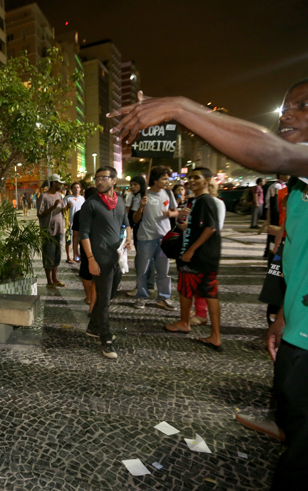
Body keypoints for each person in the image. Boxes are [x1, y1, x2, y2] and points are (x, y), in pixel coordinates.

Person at [109, 83, 308, 491]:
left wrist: (181, 108)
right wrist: (284, 317)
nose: (287, 115)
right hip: (296, 334)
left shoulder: (285, 171)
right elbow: (298, 264)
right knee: (294, 420)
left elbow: (273, 154)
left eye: (303, 107)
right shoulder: (301, 196)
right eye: (285, 107)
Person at [163, 167, 222, 350]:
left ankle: (184, 322)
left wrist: (191, 250)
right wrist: (185, 226)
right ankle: (215, 336)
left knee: (186, 289)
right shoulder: (199, 201)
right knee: (210, 294)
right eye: (190, 178)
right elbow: (200, 226)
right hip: (206, 256)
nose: (192, 181)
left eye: (197, 177)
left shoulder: (205, 200)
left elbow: (211, 228)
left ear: (207, 181)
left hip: (198, 257)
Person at [79, 166, 132, 359]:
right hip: (99, 259)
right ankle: (106, 339)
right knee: (104, 301)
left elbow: (126, 223)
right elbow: (83, 234)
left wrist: (129, 238)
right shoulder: (90, 204)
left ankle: (93, 327)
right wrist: (91, 260)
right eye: (97, 178)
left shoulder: (120, 201)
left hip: (116, 258)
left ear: (114, 180)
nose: (99, 181)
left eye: (104, 178)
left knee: (108, 297)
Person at [131, 166, 178, 311]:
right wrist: (141, 207)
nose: (167, 182)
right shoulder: (142, 196)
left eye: (167, 178)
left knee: (164, 271)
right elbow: (135, 219)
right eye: (164, 179)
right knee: (143, 270)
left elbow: (175, 212)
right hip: (146, 238)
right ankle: (141, 296)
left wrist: (170, 214)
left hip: (164, 238)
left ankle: (164, 297)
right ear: (155, 180)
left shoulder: (168, 194)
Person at [191, 180, 226, 326]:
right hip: (197, 245)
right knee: (196, 282)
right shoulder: (198, 201)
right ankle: (199, 310)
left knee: (205, 285)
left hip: (207, 248)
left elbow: (215, 226)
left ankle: (202, 315)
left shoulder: (216, 203)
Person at [72, 187, 98, 314]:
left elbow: (75, 235)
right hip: (100, 247)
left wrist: (75, 250)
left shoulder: (79, 213)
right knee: (97, 275)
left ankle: (89, 298)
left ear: (85, 197)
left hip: (85, 248)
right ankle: (95, 300)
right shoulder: (101, 212)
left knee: (86, 273)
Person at [37, 175, 66, 288]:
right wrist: (53, 207)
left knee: (57, 255)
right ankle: (49, 280)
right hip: (48, 231)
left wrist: (66, 207)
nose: (61, 185)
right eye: (59, 183)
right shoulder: (43, 196)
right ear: (54, 183)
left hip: (59, 230)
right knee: (49, 255)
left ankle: (55, 278)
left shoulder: (59, 195)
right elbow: (40, 213)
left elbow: (62, 209)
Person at [262, 175, 289, 260]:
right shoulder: (275, 187)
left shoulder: (287, 188)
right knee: (273, 243)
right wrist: (269, 221)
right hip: (277, 220)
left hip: (284, 223)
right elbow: (271, 206)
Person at [64, 182, 84, 264]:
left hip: (80, 223)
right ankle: (68, 257)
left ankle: (76, 256)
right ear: (71, 189)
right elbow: (63, 210)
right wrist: (67, 220)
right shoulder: (68, 198)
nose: (76, 189)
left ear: (80, 189)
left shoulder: (82, 198)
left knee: (78, 240)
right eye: (75, 187)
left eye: (78, 187)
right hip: (70, 222)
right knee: (69, 240)